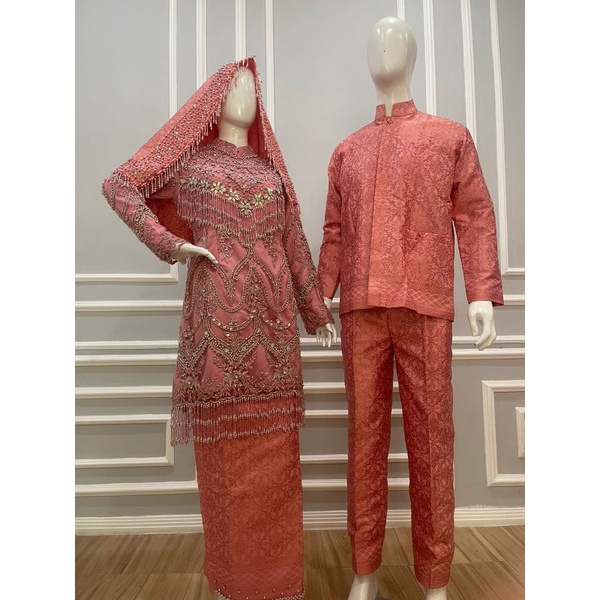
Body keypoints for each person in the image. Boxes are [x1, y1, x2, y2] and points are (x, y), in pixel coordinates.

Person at [102, 57, 336, 600]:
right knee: (226, 474)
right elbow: (120, 186)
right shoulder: (192, 167)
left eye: (254, 87)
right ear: (214, 97)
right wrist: (172, 245)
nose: (246, 94)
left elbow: (294, 244)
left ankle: (279, 585)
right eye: (235, 85)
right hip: (216, 340)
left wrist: (317, 314)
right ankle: (234, 585)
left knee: (277, 469)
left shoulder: (272, 175)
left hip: (275, 345)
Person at [317, 17, 504, 600]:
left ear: (413, 54)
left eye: (394, 40)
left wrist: (480, 292)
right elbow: (334, 230)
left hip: (425, 304)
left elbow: (474, 216)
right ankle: (364, 572)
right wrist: (322, 293)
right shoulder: (347, 151)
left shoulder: (449, 138)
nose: (383, 49)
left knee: (432, 443)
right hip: (361, 309)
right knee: (364, 439)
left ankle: (435, 581)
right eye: (374, 41)